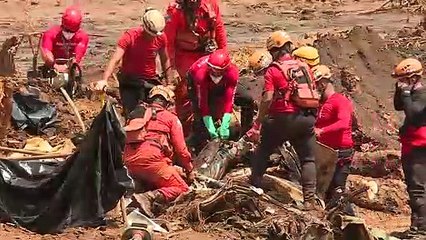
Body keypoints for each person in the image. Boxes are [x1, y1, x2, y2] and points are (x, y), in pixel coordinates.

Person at [247, 31, 320, 210]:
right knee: (308, 159)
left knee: (263, 151)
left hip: (282, 118)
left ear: (273, 51)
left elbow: (267, 98)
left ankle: (252, 188)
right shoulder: (305, 66)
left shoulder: (273, 70)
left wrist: (258, 123)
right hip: (306, 117)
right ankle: (309, 201)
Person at [123, 85, 193, 218]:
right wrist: (189, 169)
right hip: (152, 161)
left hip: (129, 162)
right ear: (167, 103)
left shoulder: (136, 115)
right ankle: (148, 197)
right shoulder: (171, 118)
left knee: (148, 178)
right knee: (182, 189)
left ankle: (135, 192)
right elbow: (182, 150)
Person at [93, 8, 172, 118]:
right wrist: (104, 80)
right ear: (144, 27)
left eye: (155, 35)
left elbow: (165, 59)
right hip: (130, 81)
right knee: (133, 115)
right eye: (150, 34)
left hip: (150, 80)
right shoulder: (130, 36)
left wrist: (169, 83)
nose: (153, 37)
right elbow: (115, 60)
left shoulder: (161, 38)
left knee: (159, 113)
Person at [164, 0, 228, 135]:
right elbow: (168, 43)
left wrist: (224, 54)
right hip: (184, 56)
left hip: (206, 53)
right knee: (185, 93)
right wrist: (172, 68)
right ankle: (184, 131)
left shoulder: (210, 4)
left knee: (214, 87)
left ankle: (214, 123)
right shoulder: (174, 11)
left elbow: (219, 28)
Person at [186, 49, 255, 151]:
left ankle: (245, 134)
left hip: (224, 81)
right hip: (198, 81)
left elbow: (229, 98)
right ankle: (198, 140)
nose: (215, 73)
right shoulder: (201, 74)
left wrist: (225, 123)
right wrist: (209, 125)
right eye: (213, 69)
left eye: (219, 71)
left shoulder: (232, 73)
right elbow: (203, 102)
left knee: (247, 99)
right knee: (199, 113)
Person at [312, 65, 355, 215]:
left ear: (323, 84)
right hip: (325, 152)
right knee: (327, 191)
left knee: (338, 190)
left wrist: (321, 131)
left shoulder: (340, 101)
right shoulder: (321, 104)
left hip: (340, 152)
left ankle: (352, 222)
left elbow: (343, 123)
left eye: (316, 85)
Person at [392, 58, 426, 238]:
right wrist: (400, 92)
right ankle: (416, 226)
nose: (400, 83)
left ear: (413, 79)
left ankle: (421, 229)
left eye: (404, 79)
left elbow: (414, 117)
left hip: (419, 147)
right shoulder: (411, 94)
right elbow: (398, 106)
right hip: (412, 146)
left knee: (418, 189)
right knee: (414, 188)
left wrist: (405, 93)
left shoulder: (422, 95)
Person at [40, 5, 89, 74]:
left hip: (71, 66)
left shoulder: (82, 37)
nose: (68, 33)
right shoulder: (50, 34)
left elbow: (78, 55)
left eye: (72, 31)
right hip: (51, 64)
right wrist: (54, 65)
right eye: (66, 30)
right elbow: (46, 52)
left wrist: (68, 66)